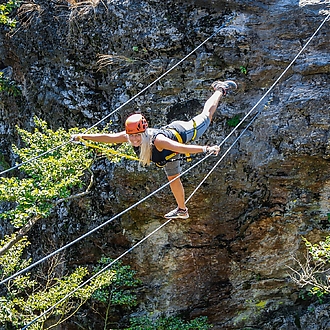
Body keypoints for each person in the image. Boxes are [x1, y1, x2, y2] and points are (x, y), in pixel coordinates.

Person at [72, 80, 237, 219]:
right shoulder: (129, 136)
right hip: (168, 155)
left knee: (206, 115)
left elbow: (180, 147)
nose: (135, 139)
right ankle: (182, 210)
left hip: (184, 132)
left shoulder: (157, 140)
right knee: (173, 179)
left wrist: (205, 149)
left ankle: (220, 89)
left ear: (143, 132)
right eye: (132, 136)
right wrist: (83, 136)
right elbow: (108, 138)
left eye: (138, 135)